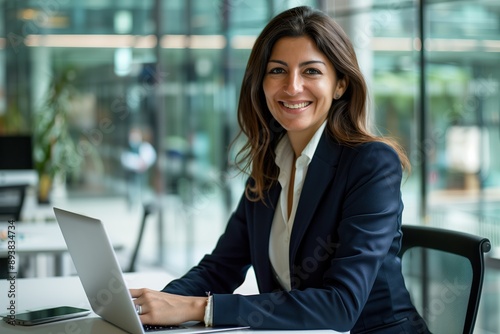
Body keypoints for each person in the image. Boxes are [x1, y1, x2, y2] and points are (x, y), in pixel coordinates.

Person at [130, 6, 431, 334]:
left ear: (340, 84)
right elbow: (219, 269)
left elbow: (341, 305)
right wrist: (152, 305)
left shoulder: (371, 164)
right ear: (261, 82)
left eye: (311, 71)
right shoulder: (269, 166)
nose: (292, 86)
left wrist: (201, 308)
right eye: (277, 71)